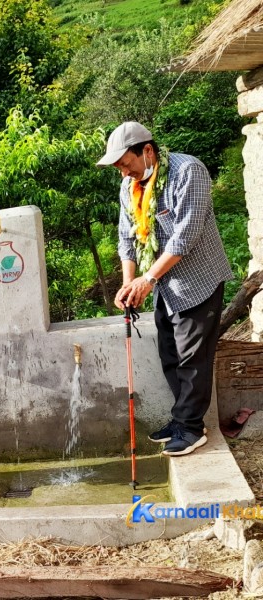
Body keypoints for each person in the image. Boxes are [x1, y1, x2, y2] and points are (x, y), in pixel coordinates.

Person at [97, 121, 233, 457]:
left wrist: (147, 280)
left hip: (198, 280)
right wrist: (129, 283)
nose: (123, 173)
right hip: (163, 284)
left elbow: (185, 236)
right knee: (170, 354)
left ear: (147, 151)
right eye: (118, 169)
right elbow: (127, 237)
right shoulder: (130, 186)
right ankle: (183, 419)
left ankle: (191, 429)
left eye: (126, 164)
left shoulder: (188, 171)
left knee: (192, 358)